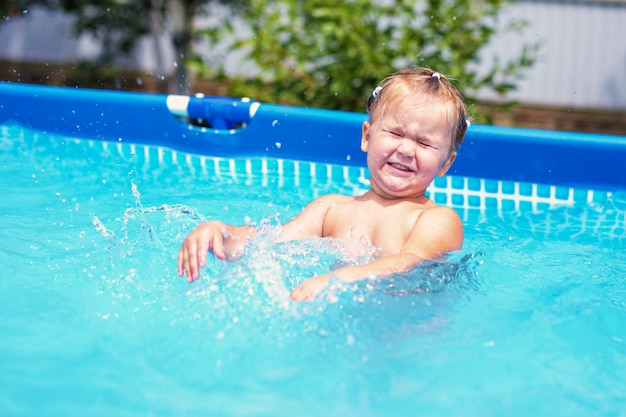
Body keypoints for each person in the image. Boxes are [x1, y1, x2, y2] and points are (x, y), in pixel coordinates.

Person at [177, 67, 470, 301]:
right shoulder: (331, 209)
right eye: (395, 133)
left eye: (423, 143)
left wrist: (337, 279)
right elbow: (270, 242)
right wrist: (220, 234)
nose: (406, 149)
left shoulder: (437, 220)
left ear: (446, 163)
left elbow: (411, 262)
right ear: (367, 136)